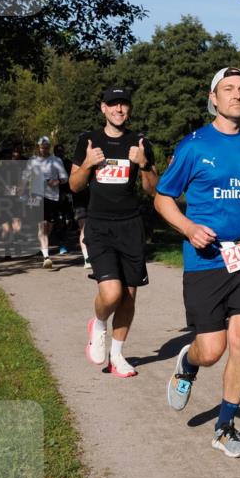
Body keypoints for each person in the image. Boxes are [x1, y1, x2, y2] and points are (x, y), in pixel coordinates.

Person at [154, 67, 240, 458]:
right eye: (228, 89)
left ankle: (225, 427)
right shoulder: (193, 146)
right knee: (212, 349)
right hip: (206, 259)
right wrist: (188, 227)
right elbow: (163, 198)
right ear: (213, 98)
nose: (237, 95)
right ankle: (188, 363)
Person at [70, 86, 158, 377]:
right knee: (111, 293)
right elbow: (74, 185)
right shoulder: (88, 140)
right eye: (113, 105)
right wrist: (87, 164)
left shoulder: (140, 142)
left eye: (124, 105)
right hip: (99, 225)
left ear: (129, 109)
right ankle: (98, 324)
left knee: (129, 295)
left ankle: (117, 356)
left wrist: (144, 164)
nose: (119, 110)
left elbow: (153, 190)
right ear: (103, 108)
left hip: (131, 225)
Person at [25, 136, 67, 269]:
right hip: (37, 195)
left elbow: (65, 177)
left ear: (49, 147)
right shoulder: (32, 161)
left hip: (52, 197)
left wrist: (57, 182)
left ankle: (43, 247)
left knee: (49, 226)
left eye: (46, 147)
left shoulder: (56, 160)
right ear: (38, 147)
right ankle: (46, 257)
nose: (44, 149)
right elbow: (24, 176)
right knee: (42, 226)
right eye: (42, 147)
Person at [0, 145, 24, 258]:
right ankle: (7, 251)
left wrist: (18, 189)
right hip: (2, 202)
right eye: (5, 158)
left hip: (15, 200)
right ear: (1, 159)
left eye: (9, 157)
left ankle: (17, 243)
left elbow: (23, 184)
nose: (7, 159)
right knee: (6, 228)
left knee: (17, 226)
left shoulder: (16, 170)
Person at [53, 143, 74, 255]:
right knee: (57, 220)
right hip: (53, 196)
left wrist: (69, 193)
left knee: (67, 221)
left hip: (67, 195)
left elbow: (72, 178)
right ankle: (60, 244)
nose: (60, 153)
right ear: (55, 152)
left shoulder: (68, 163)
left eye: (62, 151)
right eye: (58, 151)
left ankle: (64, 242)